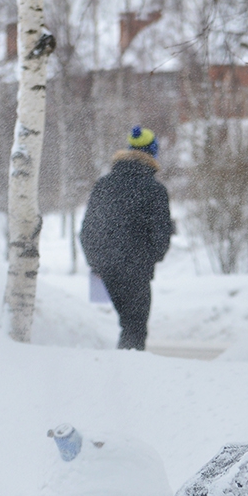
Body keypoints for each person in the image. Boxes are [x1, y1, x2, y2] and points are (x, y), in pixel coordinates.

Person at [80, 126, 174, 350]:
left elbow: (88, 229)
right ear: (152, 153)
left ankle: (122, 372)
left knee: (129, 325)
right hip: (136, 270)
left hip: (107, 269)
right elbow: (161, 234)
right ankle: (127, 376)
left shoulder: (104, 184)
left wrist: (97, 261)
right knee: (135, 327)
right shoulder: (154, 190)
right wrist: (148, 258)